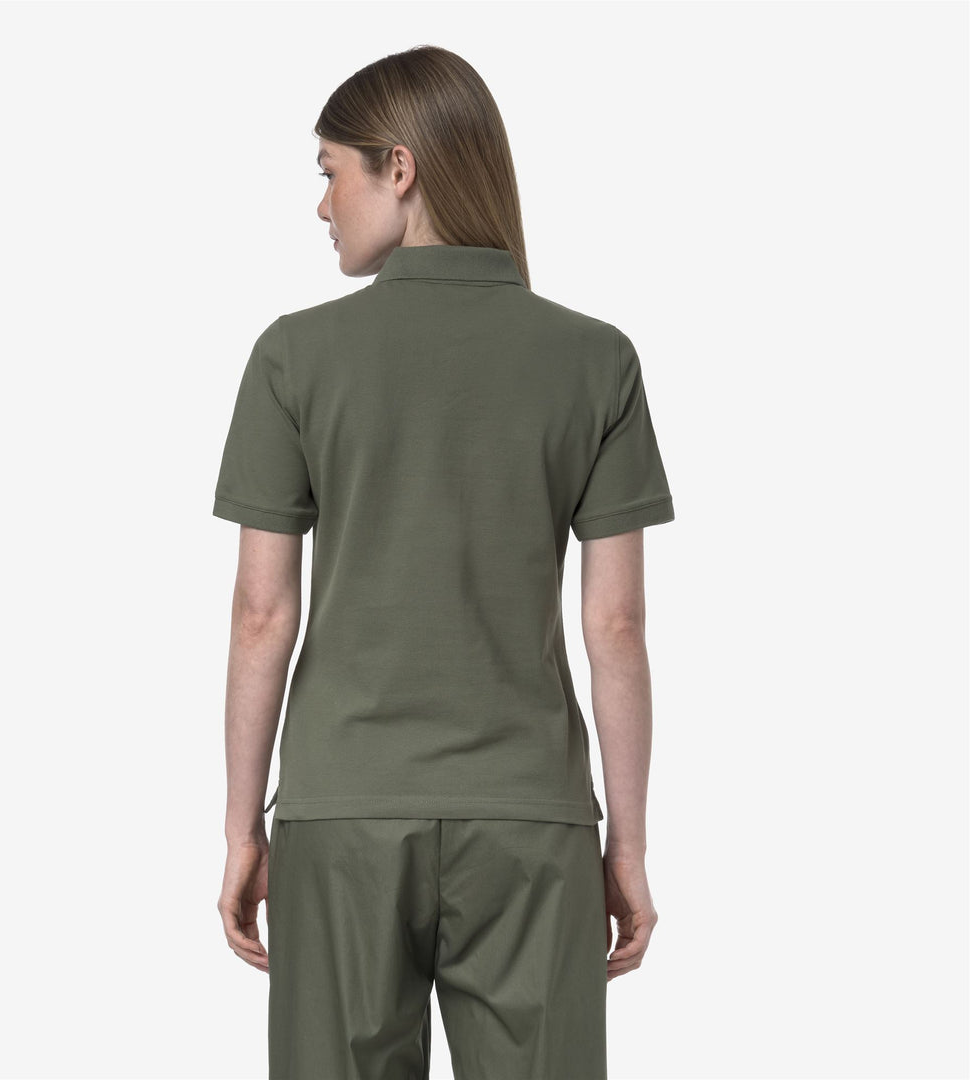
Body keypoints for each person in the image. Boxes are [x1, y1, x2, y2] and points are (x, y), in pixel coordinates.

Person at [213, 45, 675, 1080]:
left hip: (342, 814)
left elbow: (261, 615)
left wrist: (243, 830)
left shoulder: (294, 357)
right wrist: (629, 849)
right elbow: (616, 626)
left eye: (330, 171)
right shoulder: (596, 360)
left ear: (400, 167)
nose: (322, 204)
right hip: (532, 822)